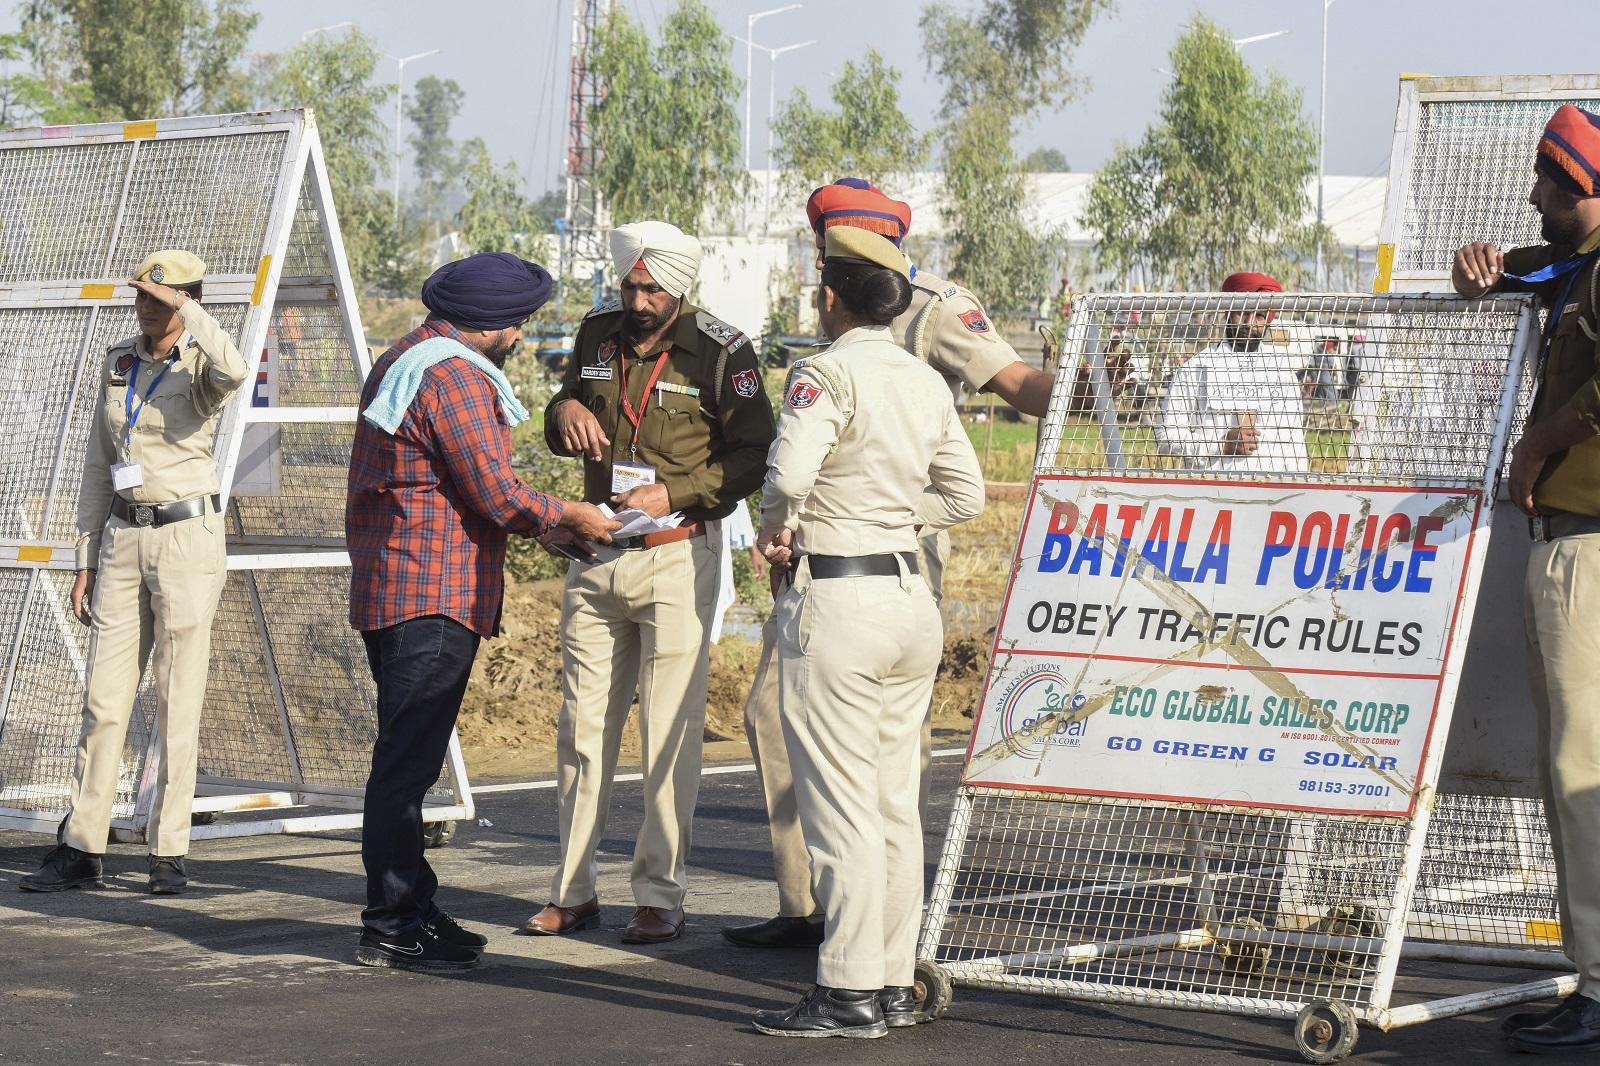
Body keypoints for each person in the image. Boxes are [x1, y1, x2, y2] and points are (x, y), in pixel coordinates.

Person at [725, 178, 1056, 951]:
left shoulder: (936, 305)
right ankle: (810, 906)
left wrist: (1094, 384)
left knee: (880, 765)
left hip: (883, 557)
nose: (825, 261)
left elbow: (1018, 386)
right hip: (817, 558)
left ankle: (870, 952)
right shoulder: (841, 312)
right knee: (776, 717)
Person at [345, 252, 618, 972]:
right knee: (405, 768)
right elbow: (495, 490)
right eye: (518, 325)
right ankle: (392, 923)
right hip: (433, 596)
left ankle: (411, 909)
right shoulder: (457, 377)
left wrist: (547, 528)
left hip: (394, 587)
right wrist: (569, 514)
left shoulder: (406, 356)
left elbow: (452, 483)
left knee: (406, 761)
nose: (522, 337)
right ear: (492, 326)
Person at [751, 227, 984, 1037]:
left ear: (830, 297)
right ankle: (887, 983)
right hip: (908, 595)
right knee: (891, 805)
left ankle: (847, 990)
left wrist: (780, 528)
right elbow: (964, 493)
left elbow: (786, 477)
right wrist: (891, 517)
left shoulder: (825, 371)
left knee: (841, 808)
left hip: (839, 598)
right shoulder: (922, 378)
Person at [521, 221, 776, 945]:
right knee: (581, 729)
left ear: (678, 287)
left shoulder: (723, 351)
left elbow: (755, 453)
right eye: (629, 284)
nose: (636, 299)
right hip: (596, 555)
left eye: (650, 288)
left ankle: (660, 894)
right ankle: (571, 892)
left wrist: (679, 492)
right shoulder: (597, 336)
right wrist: (562, 409)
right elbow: (564, 408)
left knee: (668, 732)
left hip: (676, 554)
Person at [22, 251, 247, 897]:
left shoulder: (205, 360)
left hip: (185, 540)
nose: (145, 305)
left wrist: (190, 310)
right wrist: (85, 556)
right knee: (104, 700)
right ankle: (82, 845)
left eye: (159, 296)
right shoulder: (120, 359)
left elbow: (234, 367)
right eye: (141, 294)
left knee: (178, 698)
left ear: (186, 300)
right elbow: (100, 461)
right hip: (123, 537)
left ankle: (168, 851)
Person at [1451, 104, 1600, 1053]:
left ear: (1584, 186)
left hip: (1586, 544)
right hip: (1575, 535)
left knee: (1578, 765)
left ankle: (1599, 986)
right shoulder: (1572, 269)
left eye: (1550, 182)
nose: (1535, 197)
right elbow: (1510, 275)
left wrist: (1544, 436)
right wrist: (1480, 272)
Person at [1154, 271, 1310, 475]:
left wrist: (1300, 488)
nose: (1249, 323)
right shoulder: (1196, 369)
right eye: (1242, 313)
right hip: (1210, 492)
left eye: (1260, 316)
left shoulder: (1281, 371)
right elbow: (1165, 436)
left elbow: (1295, 442)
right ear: (1226, 312)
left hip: (1271, 494)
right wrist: (1219, 444)